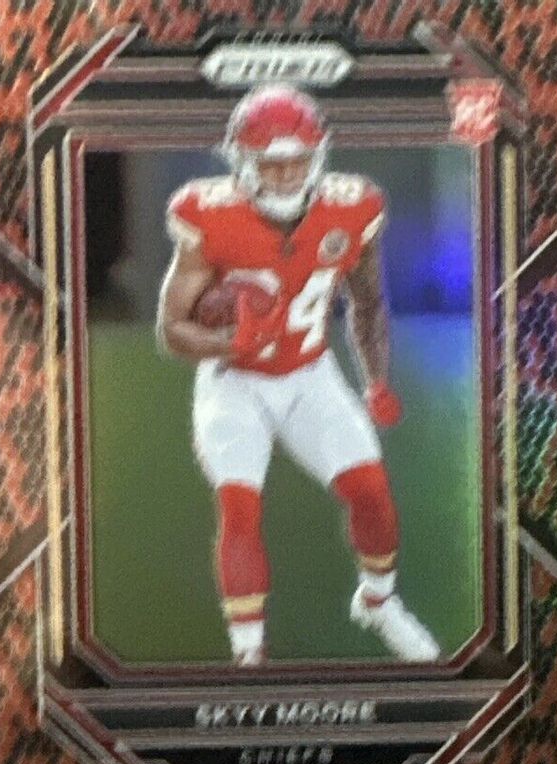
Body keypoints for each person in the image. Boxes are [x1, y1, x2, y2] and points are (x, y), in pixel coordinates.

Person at [156, 84, 440, 666]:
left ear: (318, 156)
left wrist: (376, 381)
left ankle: (378, 602)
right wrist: (229, 341)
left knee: (373, 494)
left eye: (297, 161)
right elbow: (172, 328)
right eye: (270, 163)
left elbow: (368, 302)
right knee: (239, 509)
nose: (286, 175)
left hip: (310, 374)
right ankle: (249, 654)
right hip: (233, 381)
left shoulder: (354, 207)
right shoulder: (207, 214)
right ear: (243, 162)